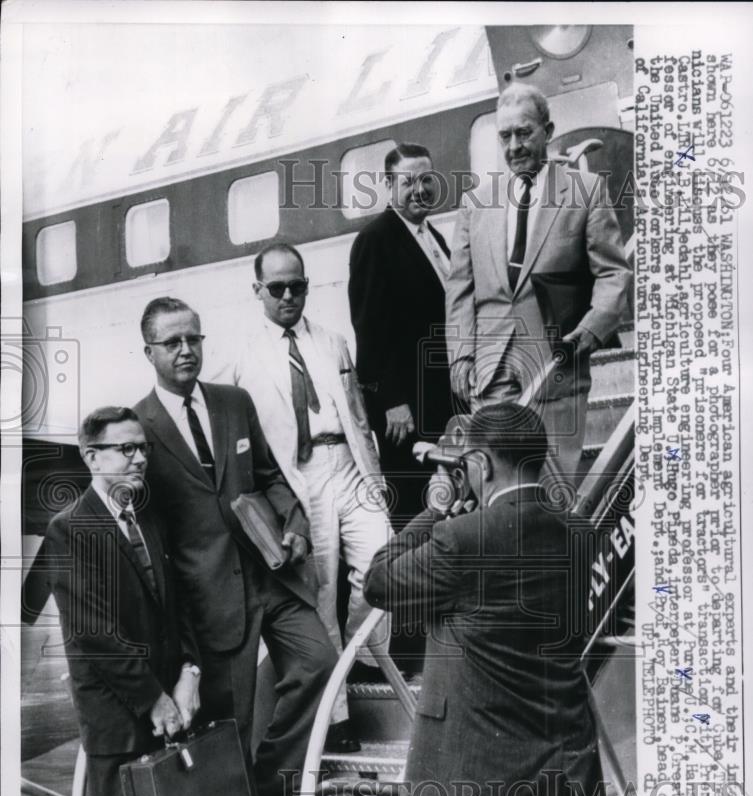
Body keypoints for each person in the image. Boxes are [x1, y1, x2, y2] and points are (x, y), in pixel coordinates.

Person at [364, 402, 606, 796]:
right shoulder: (580, 534)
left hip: (482, 787)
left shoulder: (462, 538)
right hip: (569, 774)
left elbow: (379, 579)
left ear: (482, 465)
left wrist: (437, 506)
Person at [134, 297, 337, 796]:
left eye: (194, 337)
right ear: (149, 353)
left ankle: (265, 785)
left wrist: (294, 522)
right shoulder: (139, 428)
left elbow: (271, 476)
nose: (187, 350)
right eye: (172, 343)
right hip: (209, 601)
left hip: (271, 576)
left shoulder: (232, 402)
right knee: (227, 734)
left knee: (319, 667)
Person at [209, 243, 393, 750]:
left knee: (387, 565)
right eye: (277, 288)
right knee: (319, 597)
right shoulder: (240, 357)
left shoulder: (332, 342)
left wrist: (373, 472)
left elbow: (355, 412)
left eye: (298, 286)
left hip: (349, 469)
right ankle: (335, 718)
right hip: (297, 480)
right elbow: (224, 425)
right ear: (257, 291)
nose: (289, 295)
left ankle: (361, 659)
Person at [44, 406, 200, 796]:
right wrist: (154, 699)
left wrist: (188, 675)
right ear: (91, 456)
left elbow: (180, 608)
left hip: (169, 712)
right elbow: (96, 636)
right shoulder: (69, 530)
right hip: (118, 723)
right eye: (125, 449)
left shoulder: (148, 518)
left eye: (143, 448)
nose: (139, 458)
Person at [446, 82, 631, 477]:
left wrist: (589, 331)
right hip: (491, 372)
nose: (514, 146)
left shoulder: (586, 191)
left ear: (547, 131)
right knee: (496, 488)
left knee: (553, 491)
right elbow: (459, 289)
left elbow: (613, 272)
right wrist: (461, 355)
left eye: (524, 132)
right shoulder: (475, 203)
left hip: (556, 370)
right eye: (505, 136)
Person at [349, 142, 454, 526]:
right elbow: (369, 328)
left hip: (439, 398)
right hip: (405, 410)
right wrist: (392, 400)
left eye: (426, 180)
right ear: (389, 186)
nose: (419, 190)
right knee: (415, 505)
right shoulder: (375, 240)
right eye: (408, 182)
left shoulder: (433, 238)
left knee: (445, 497)